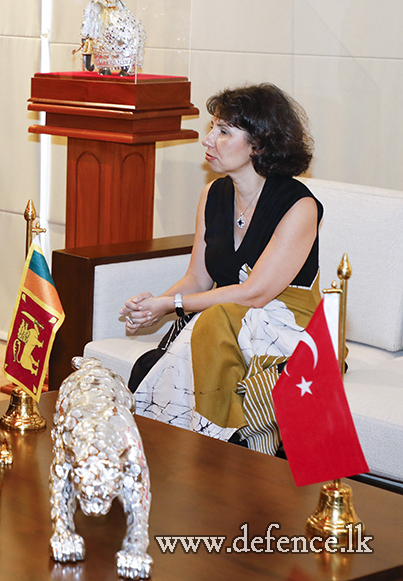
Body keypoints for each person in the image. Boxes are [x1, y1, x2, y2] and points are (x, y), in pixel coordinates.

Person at [119, 82, 320, 456]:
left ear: (259, 144)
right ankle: (173, 456)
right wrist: (154, 305)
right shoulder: (213, 194)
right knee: (158, 359)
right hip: (225, 320)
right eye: (212, 127)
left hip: (288, 325)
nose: (208, 140)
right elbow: (198, 277)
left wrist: (171, 306)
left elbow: (256, 293)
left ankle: (211, 452)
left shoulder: (299, 205)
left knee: (208, 326)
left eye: (224, 131)